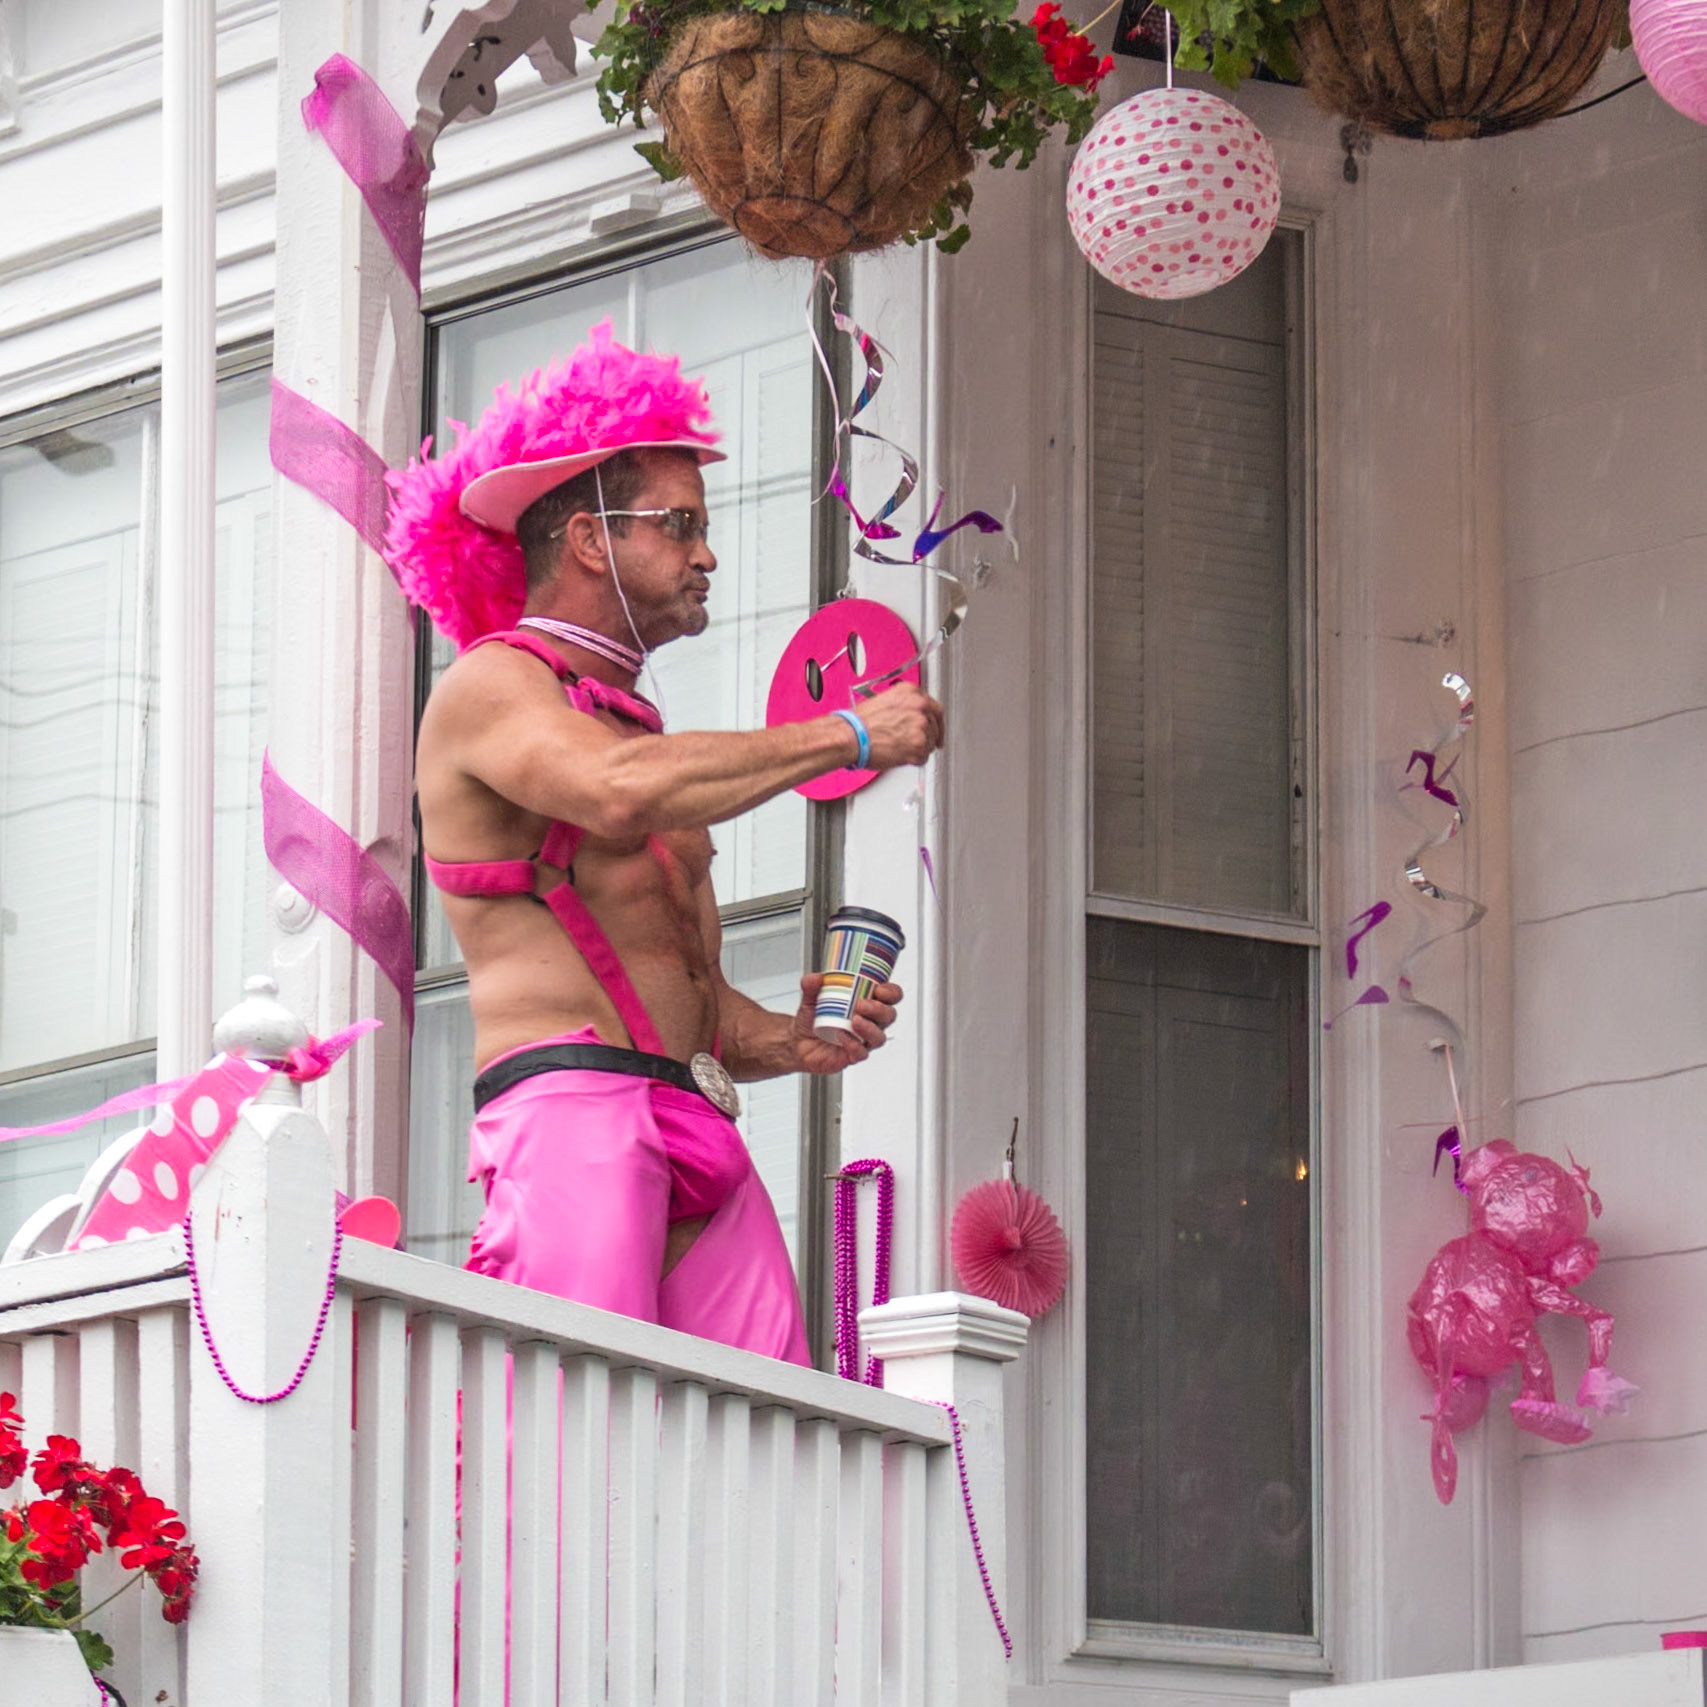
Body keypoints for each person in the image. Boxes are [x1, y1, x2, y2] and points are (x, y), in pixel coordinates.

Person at [385, 322, 942, 1366]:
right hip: (573, 1113)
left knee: (770, 1421)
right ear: (591, 539)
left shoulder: (634, 727)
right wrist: (850, 733)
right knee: (573, 1428)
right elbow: (612, 794)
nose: (707, 554)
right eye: (678, 525)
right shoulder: (494, 684)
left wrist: (794, 1040)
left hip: (695, 1111)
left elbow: (691, 998)